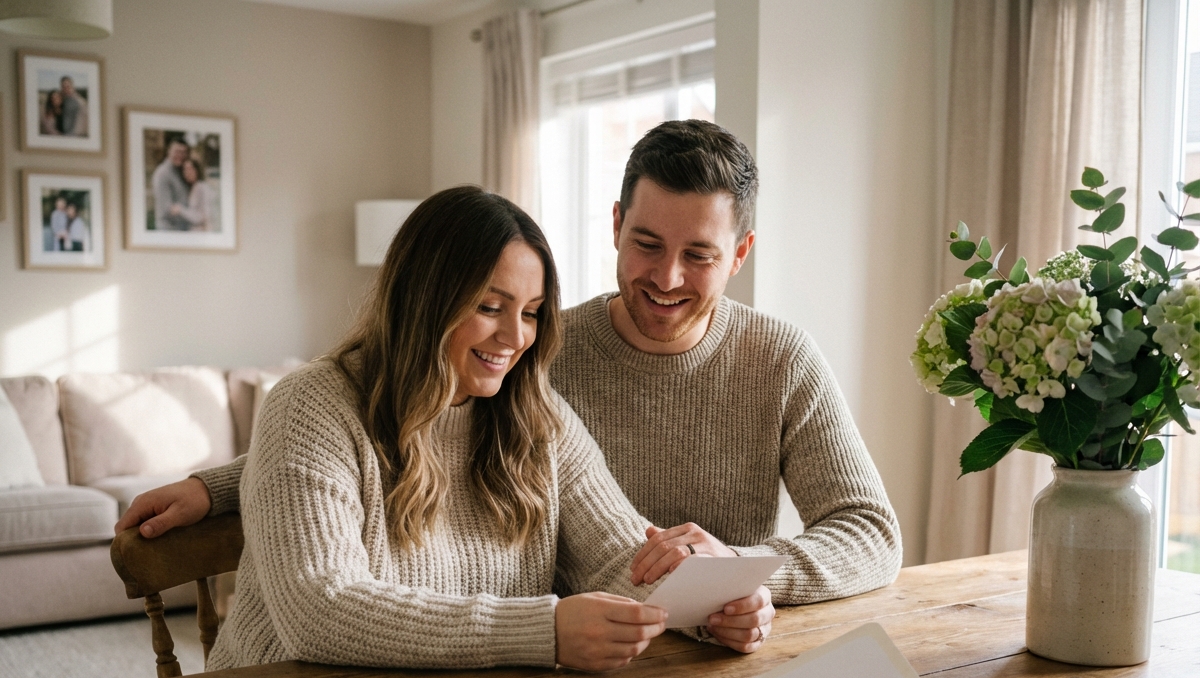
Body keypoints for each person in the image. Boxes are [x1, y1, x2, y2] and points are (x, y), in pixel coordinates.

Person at [121, 120, 898, 618]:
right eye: (648, 245)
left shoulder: (777, 359)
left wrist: (739, 579)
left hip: (649, 634)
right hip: (551, 640)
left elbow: (869, 531)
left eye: (698, 255)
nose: (665, 278)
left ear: (739, 256)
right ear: (617, 226)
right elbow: (394, 417)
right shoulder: (545, 358)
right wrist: (221, 483)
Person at [191, 186, 771, 673]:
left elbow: (621, 557)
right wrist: (543, 630)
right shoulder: (311, 405)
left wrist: (715, 604)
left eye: (532, 311)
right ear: (426, 299)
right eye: (491, 307)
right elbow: (322, 610)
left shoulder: (536, 417)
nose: (516, 337)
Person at [152, 139, 192, 231]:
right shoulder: (162, 173)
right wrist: (192, 215)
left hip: (182, 230)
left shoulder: (181, 170)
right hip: (168, 230)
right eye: (177, 151)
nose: (181, 155)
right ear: (169, 151)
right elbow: (167, 209)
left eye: (184, 152)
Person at [176, 157, 215, 231]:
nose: (187, 172)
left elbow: (202, 217)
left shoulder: (202, 187)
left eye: (190, 169)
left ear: (197, 170)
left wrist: (180, 210)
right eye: (185, 169)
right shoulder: (192, 188)